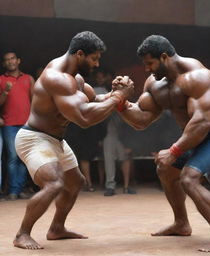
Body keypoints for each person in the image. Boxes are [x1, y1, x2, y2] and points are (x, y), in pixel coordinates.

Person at [113, 35, 210, 252]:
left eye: (150, 63)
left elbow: (202, 123)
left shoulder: (198, 77)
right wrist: (121, 101)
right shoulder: (155, 84)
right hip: (193, 135)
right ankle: (181, 224)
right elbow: (141, 120)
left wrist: (174, 150)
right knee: (165, 168)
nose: (146, 69)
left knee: (189, 179)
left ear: (164, 57)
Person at [13, 31, 134, 250]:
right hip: (34, 138)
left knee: (75, 182)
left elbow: (95, 100)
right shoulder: (56, 78)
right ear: (80, 54)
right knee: (54, 183)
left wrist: (115, 92)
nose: (97, 64)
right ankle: (22, 234)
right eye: (94, 58)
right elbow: (84, 118)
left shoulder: (75, 79)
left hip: (56, 139)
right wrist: (118, 97)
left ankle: (57, 228)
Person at [0, 52, 35, 200]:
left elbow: (35, 102)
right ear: (4, 64)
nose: (10, 61)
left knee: (24, 158)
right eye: (7, 60)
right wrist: (6, 91)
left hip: (27, 124)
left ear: (18, 61)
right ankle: (14, 190)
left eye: (12, 58)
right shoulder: (1, 80)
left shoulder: (28, 79)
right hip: (9, 124)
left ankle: (20, 189)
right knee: (13, 157)